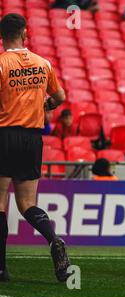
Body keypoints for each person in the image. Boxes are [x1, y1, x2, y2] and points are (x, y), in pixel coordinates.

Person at [0, 14, 70, 282]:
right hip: (32, 138)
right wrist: (44, 107)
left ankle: (1, 268)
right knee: (28, 203)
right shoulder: (43, 63)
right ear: (25, 33)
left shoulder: (2, 63)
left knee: (0, 204)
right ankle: (53, 239)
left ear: (2, 36)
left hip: (5, 135)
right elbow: (60, 98)